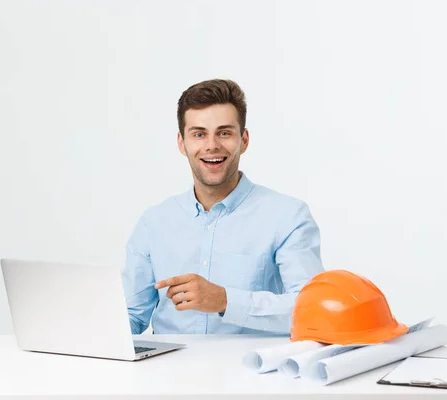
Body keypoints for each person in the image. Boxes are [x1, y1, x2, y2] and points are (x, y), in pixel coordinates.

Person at [122, 78, 325, 335]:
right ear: (182, 143)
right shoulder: (154, 222)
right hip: (164, 371)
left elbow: (312, 308)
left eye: (224, 133)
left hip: (254, 372)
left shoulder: (287, 217)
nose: (211, 146)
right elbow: (130, 316)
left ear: (244, 140)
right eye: (198, 134)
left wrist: (225, 300)